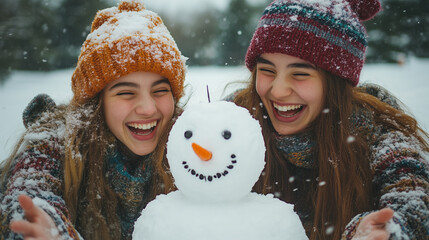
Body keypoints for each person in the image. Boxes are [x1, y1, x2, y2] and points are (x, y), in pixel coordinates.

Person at [230, 0, 429, 239]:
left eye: (300, 74)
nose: (278, 90)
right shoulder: (233, 122)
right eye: (267, 71)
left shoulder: (377, 133)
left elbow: (413, 196)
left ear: (335, 83)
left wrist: (385, 229)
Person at [0, 0, 186, 239]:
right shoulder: (54, 141)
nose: (148, 108)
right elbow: (30, 192)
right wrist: (52, 228)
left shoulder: (187, 140)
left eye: (160, 91)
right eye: (126, 93)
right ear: (97, 103)